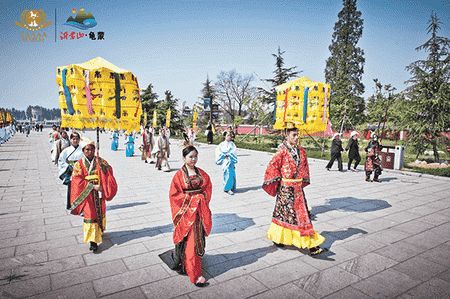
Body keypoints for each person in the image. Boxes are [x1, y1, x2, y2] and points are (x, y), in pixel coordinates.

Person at [262, 125, 326, 256]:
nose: (296, 138)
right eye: (293, 135)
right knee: (287, 215)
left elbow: (304, 167)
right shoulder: (281, 152)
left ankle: (282, 239)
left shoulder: (301, 151)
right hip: (285, 189)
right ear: (286, 135)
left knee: (298, 216)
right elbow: (272, 167)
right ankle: (310, 245)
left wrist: (302, 181)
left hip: (297, 189)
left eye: (298, 135)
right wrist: (277, 182)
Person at [165, 145, 212, 287]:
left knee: (197, 241)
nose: (193, 159)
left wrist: (201, 198)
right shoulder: (178, 176)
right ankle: (195, 275)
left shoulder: (202, 174)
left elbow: (207, 188)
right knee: (190, 243)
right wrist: (192, 200)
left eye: (195, 156)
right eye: (190, 156)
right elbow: (174, 195)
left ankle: (191, 267)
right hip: (186, 215)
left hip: (198, 214)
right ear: (184, 158)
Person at [70, 139, 117, 253]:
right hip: (87, 194)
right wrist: (92, 186)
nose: (90, 152)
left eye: (92, 149)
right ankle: (93, 241)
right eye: (87, 149)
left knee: (100, 213)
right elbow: (76, 180)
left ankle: (99, 231)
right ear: (83, 150)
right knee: (90, 215)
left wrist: (103, 168)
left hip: (99, 193)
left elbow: (109, 170)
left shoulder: (100, 161)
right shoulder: (79, 164)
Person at [58, 132, 85, 209]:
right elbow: (61, 160)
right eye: (73, 139)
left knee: (81, 188)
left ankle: (81, 205)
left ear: (79, 140)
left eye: (77, 139)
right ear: (70, 140)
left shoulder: (82, 149)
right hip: (71, 171)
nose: (75, 141)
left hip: (80, 171)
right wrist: (68, 167)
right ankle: (71, 205)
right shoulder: (66, 150)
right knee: (72, 188)